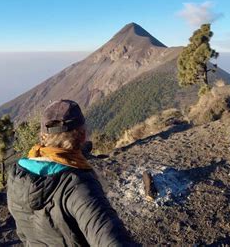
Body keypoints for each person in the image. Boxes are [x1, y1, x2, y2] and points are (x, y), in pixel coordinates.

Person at [7, 99, 136, 246]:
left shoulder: (16, 175)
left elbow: (24, 235)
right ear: (82, 135)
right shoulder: (76, 184)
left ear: (43, 137)